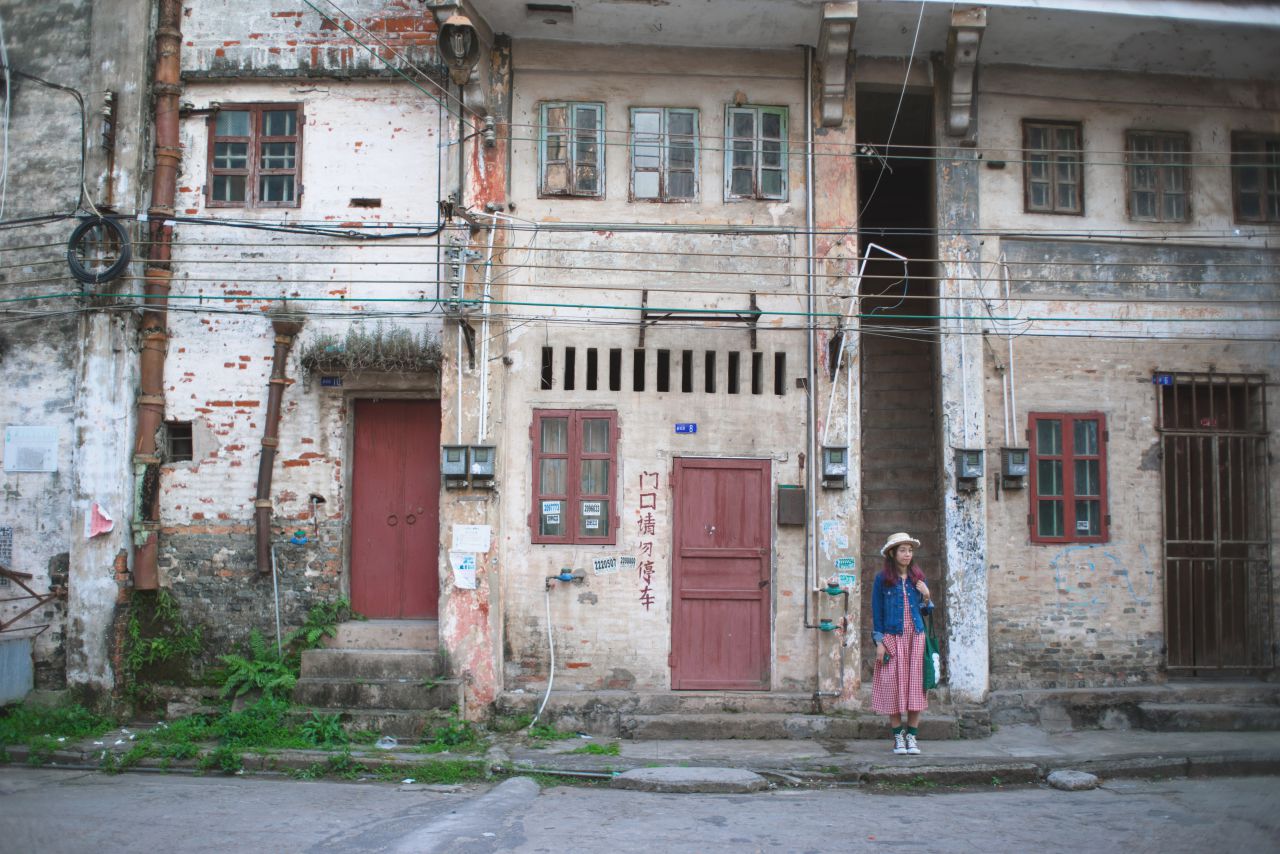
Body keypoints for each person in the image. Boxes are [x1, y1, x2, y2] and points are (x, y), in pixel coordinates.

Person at [870, 532, 934, 755]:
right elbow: (876, 612)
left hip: (915, 638)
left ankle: (912, 738)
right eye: (903, 550)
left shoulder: (918, 577)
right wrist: (879, 642)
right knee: (893, 687)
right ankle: (898, 738)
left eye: (910, 550)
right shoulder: (882, 579)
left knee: (916, 688)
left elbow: (926, 611)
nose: (907, 554)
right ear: (892, 553)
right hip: (892, 638)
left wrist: (926, 596)